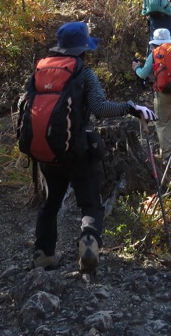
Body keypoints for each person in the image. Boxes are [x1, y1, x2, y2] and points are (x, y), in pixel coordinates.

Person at [29, 21, 156, 273]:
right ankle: (88, 243)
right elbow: (100, 108)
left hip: (47, 152)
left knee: (51, 202)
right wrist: (130, 107)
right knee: (90, 203)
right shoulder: (83, 72)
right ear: (82, 49)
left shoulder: (40, 70)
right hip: (78, 150)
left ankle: (43, 254)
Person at [132, 28, 171, 160]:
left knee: (162, 123)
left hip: (164, 93)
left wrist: (136, 67)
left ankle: (167, 157)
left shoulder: (155, 53)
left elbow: (142, 74)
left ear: (155, 42)